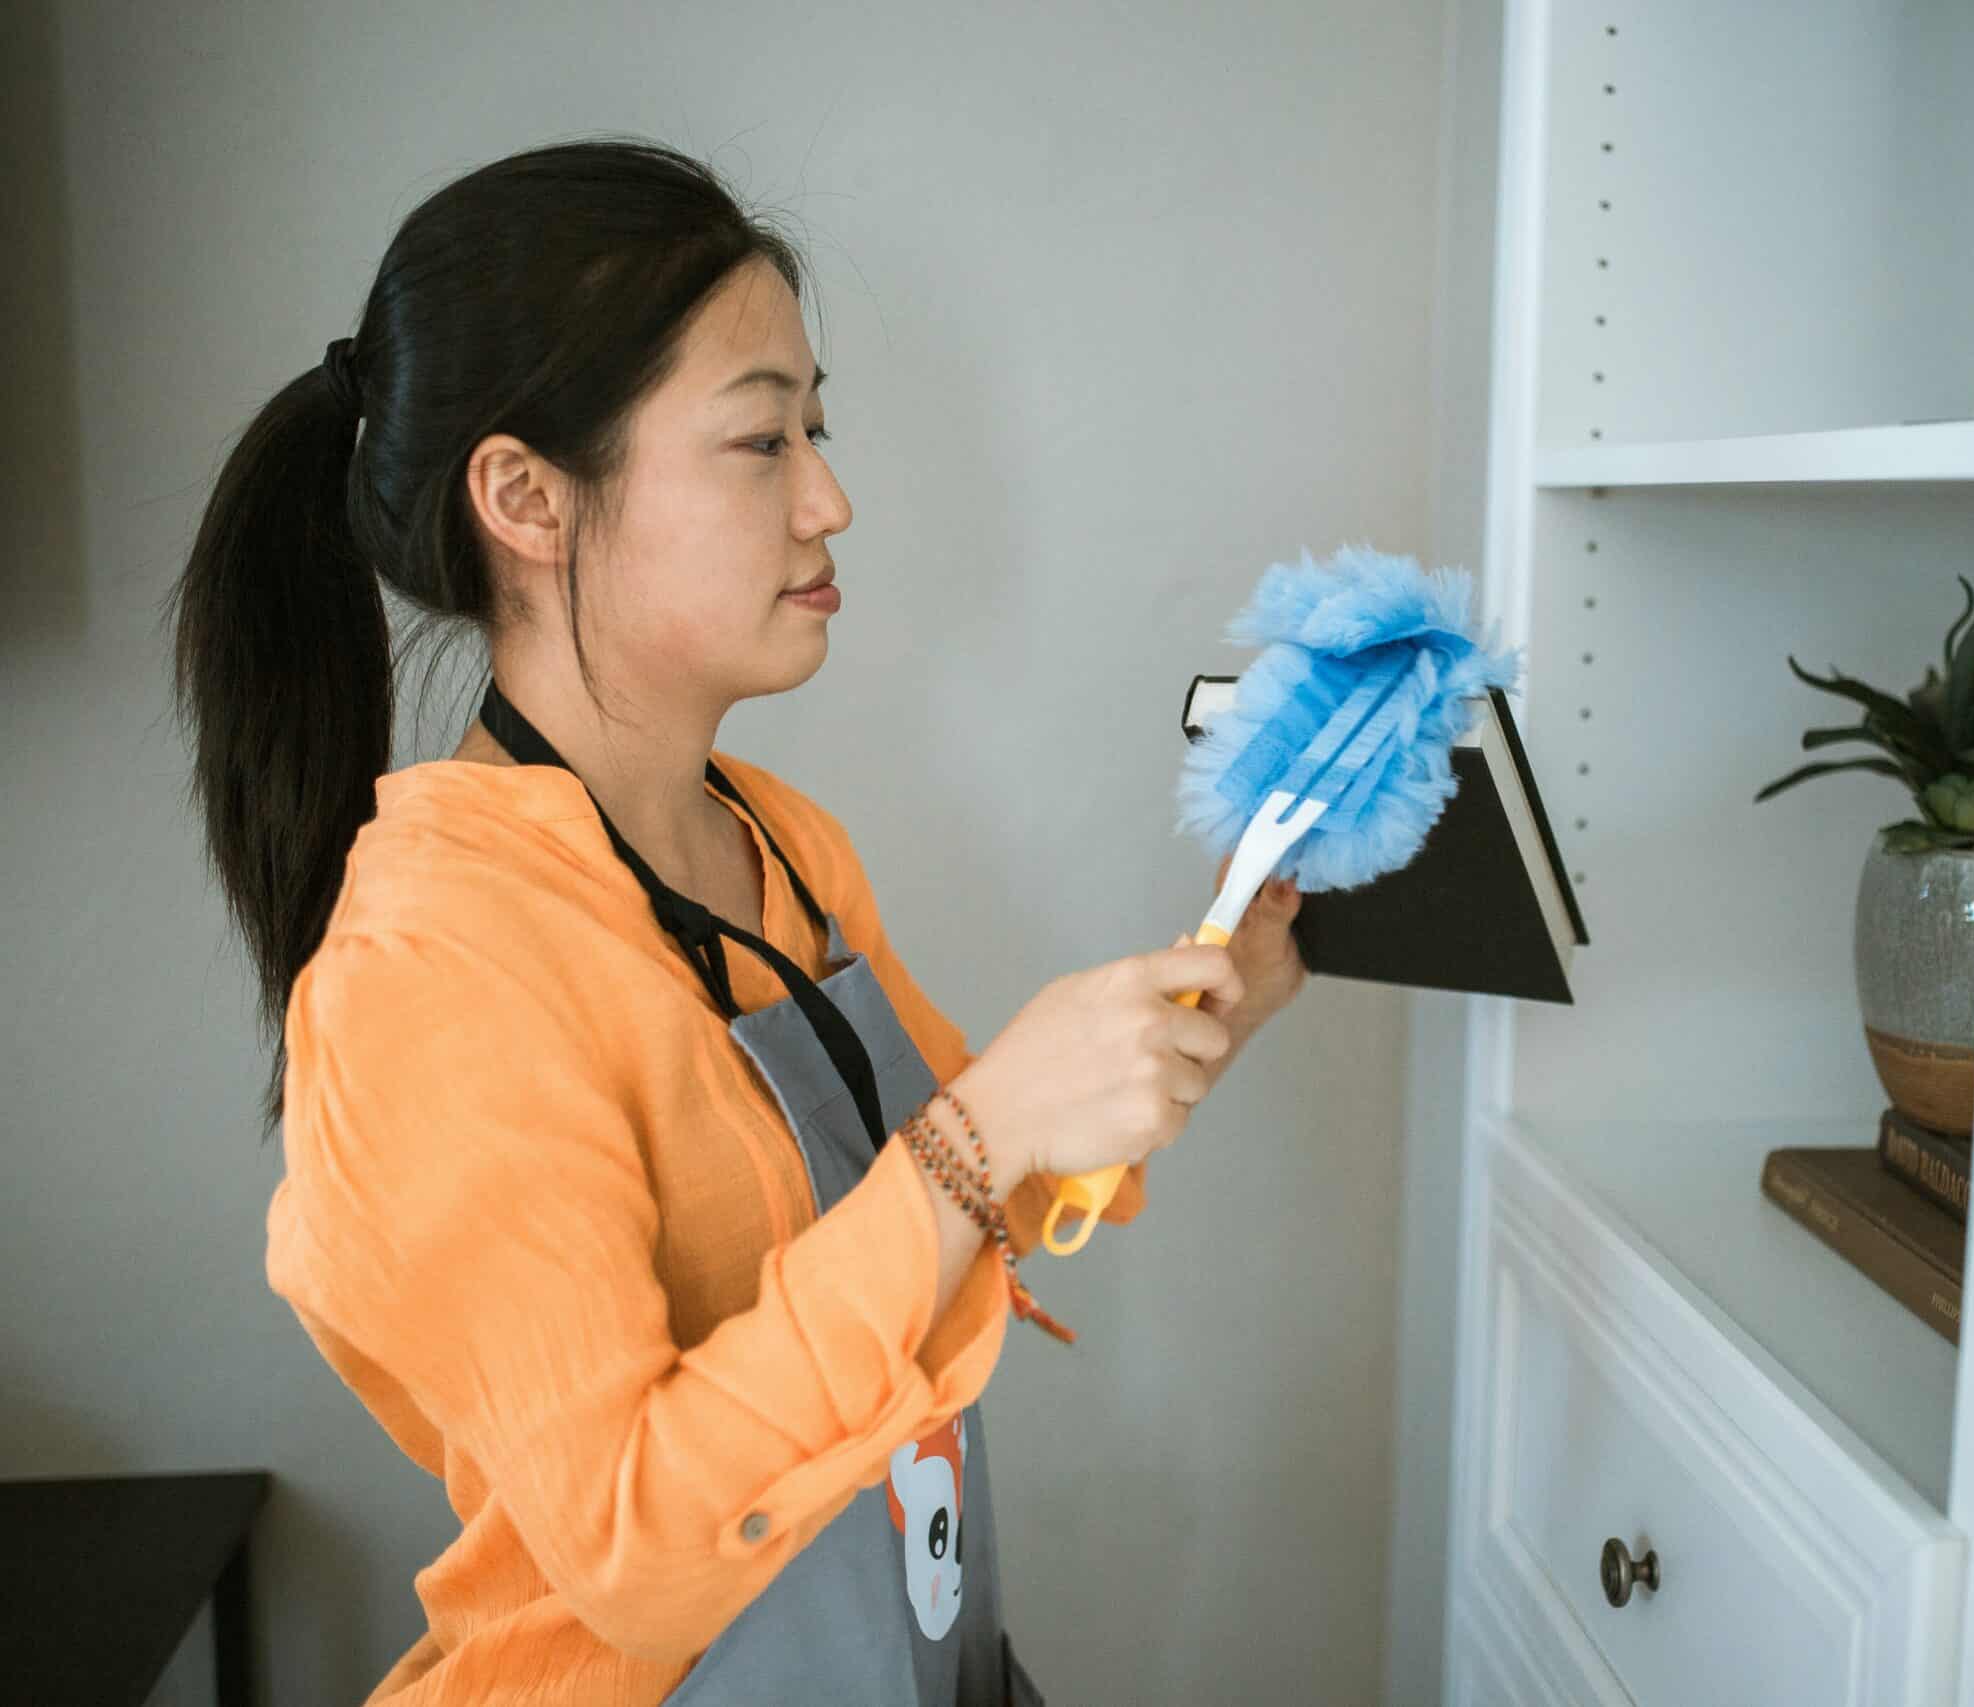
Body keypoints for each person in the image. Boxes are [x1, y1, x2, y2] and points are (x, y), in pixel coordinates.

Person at [167, 135, 1306, 1705]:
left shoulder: (776, 838)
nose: (831, 497)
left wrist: (1231, 974)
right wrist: (984, 1126)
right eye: (762, 441)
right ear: (526, 497)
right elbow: (636, 1545)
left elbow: (990, 1193)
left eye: (816, 428)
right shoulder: (426, 967)